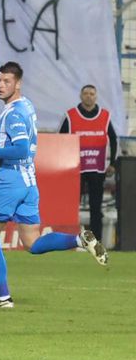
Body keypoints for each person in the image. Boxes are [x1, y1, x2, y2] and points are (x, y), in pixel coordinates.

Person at [0, 62, 108, 309]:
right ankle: (79, 240)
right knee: (32, 243)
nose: (0, 85)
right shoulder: (26, 105)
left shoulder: (13, 113)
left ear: (18, 84)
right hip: (28, 183)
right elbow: (18, 137)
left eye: (7, 81)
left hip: (7, 182)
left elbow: (21, 148)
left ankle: (3, 298)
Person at [59, 84, 118, 246]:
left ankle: (95, 242)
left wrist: (112, 163)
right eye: (86, 93)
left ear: (96, 97)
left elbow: (114, 140)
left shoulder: (105, 116)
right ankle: (68, 240)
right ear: (80, 96)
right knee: (71, 206)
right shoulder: (70, 116)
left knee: (95, 207)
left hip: (97, 169)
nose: (89, 96)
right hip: (75, 169)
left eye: (92, 94)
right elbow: (60, 140)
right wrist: (63, 164)